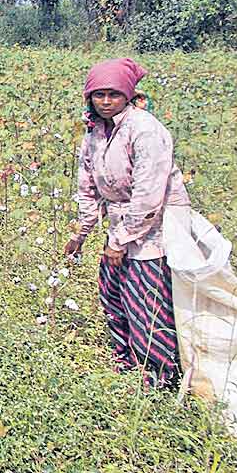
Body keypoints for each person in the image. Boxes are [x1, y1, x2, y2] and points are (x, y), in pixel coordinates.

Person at [63, 58, 190, 388]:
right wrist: (81, 232)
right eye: (99, 95)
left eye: (114, 95)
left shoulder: (146, 130)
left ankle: (159, 377)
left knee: (146, 301)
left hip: (155, 227)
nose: (106, 102)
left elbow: (149, 194)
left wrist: (120, 241)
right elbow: (88, 187)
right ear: (89, 97)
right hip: (121, 222)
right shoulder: (95, 133)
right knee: (112, 293)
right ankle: (126, 361)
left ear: (128, 96)